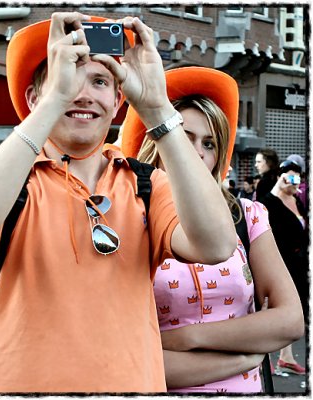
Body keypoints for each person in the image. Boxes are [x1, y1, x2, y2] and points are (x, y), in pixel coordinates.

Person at [0, 12, 237, 393]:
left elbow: (217, 246)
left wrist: (158, 110)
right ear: (34, 97)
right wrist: (52, 103)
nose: (83, 93)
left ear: (117, 101)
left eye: (99, 80)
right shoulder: (11, 179)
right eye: (68, 73)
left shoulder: (145, 184)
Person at [121, 66, 304, 393]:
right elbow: (130, 361)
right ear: (158, 142)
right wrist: (244, 355)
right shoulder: (128, 218)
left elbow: (290, 320)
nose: (197, 153)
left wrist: (186, 338)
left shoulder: (247, 215)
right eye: (184, 137)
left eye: (210, 143)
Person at [261, 159, 308, 376]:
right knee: (274, 308)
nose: (294, 181)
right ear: (280, 176)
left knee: (292, 308)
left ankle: (286, 357)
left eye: (297, 177)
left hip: (299, 264)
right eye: (289, 176)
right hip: (280, 262)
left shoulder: (298, 201)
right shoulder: (270, 202)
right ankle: (265, 357)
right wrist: (278, 188)